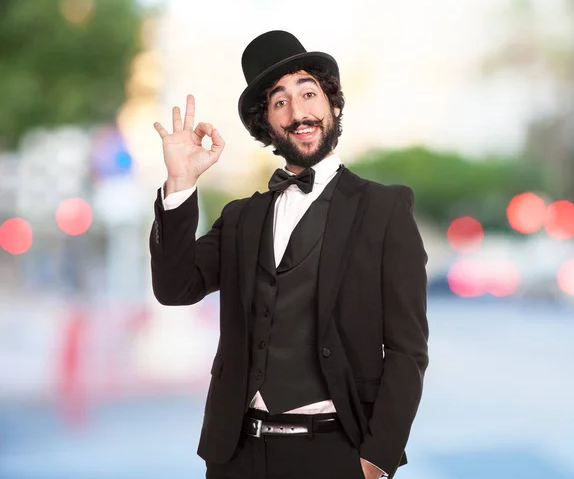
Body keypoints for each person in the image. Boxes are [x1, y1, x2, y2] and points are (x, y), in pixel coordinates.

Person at [150, 30, 429, 479]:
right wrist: (181, 183)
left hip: (336, 453)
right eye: (280, 102)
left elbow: (407, 349)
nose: (298, 112)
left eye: (308, 93)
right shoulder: (242, 217)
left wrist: (377, 458)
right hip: (236, 454)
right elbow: (174, 287)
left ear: (333, 105)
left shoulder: (384, 209)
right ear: (267, 124)